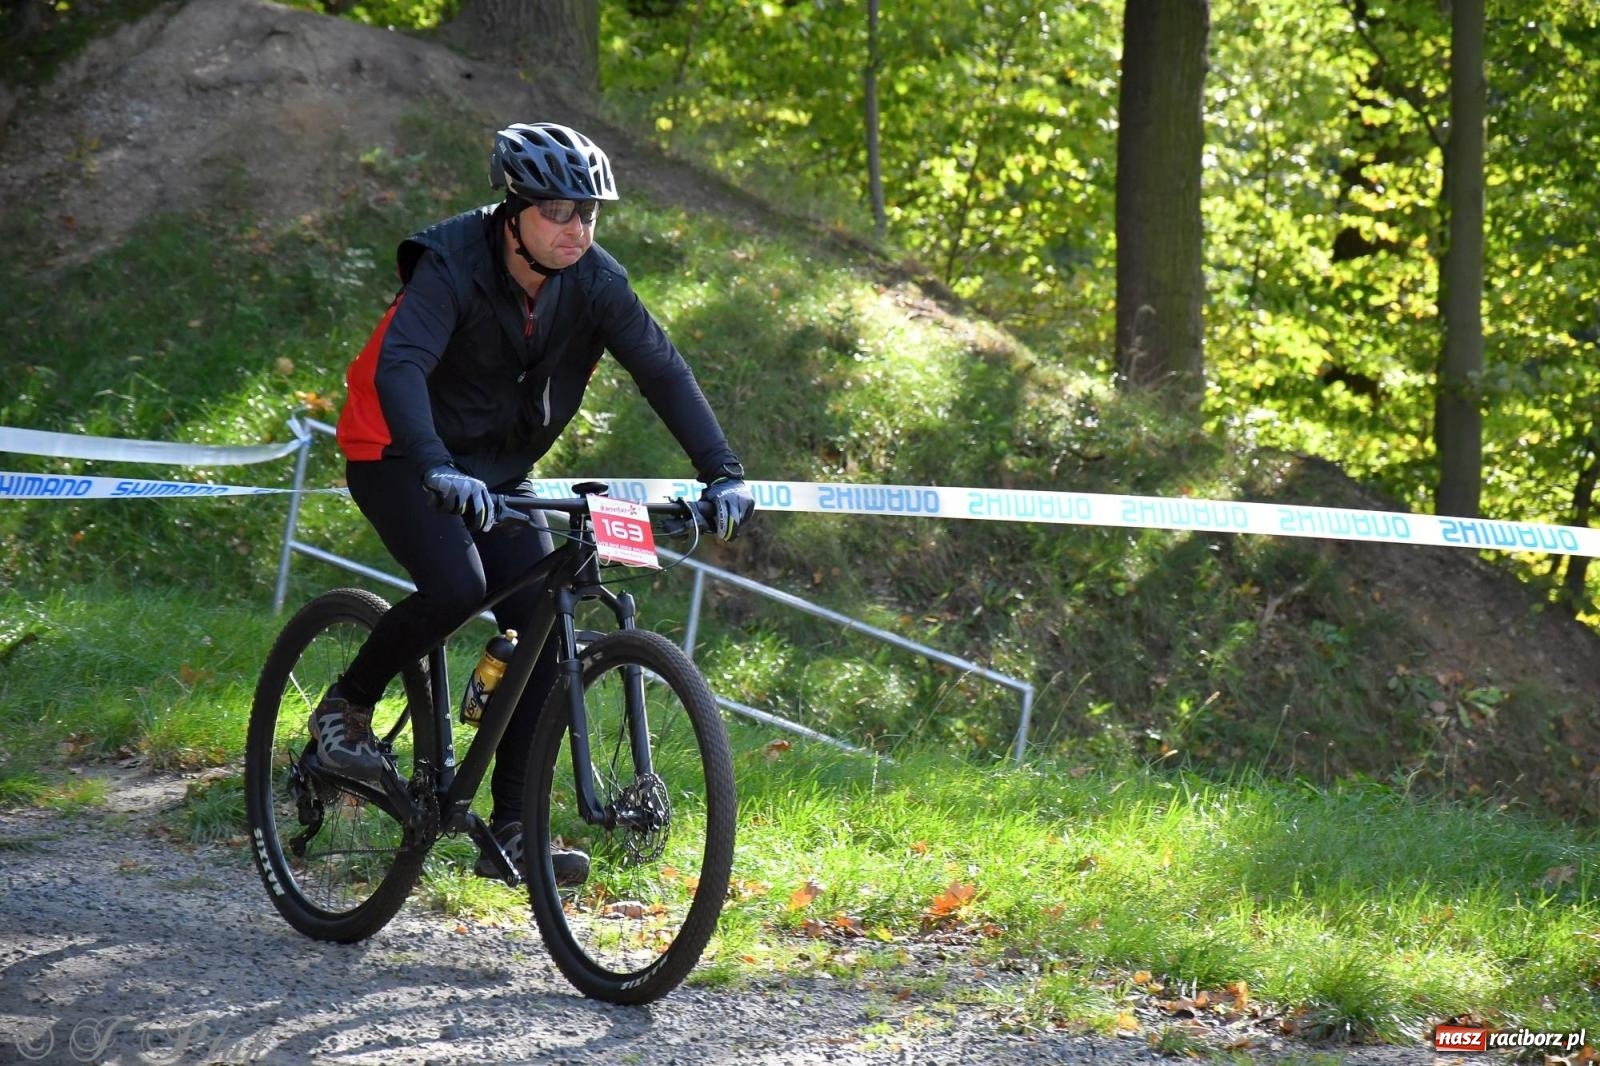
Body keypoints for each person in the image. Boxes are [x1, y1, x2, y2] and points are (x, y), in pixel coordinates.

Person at [319, 121, 754, 885]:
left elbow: (661, 368)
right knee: (459, 587)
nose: (576, 228)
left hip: (497, 468)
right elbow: (402, 367)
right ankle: (345, 710)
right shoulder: (451, 262)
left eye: (588, 212)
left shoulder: (595, 281)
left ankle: (515, 826)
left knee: (547, 626)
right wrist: (433, 467)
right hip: (396, 448)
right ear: (513, 211)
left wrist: (722, 471)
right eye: (558, 211)